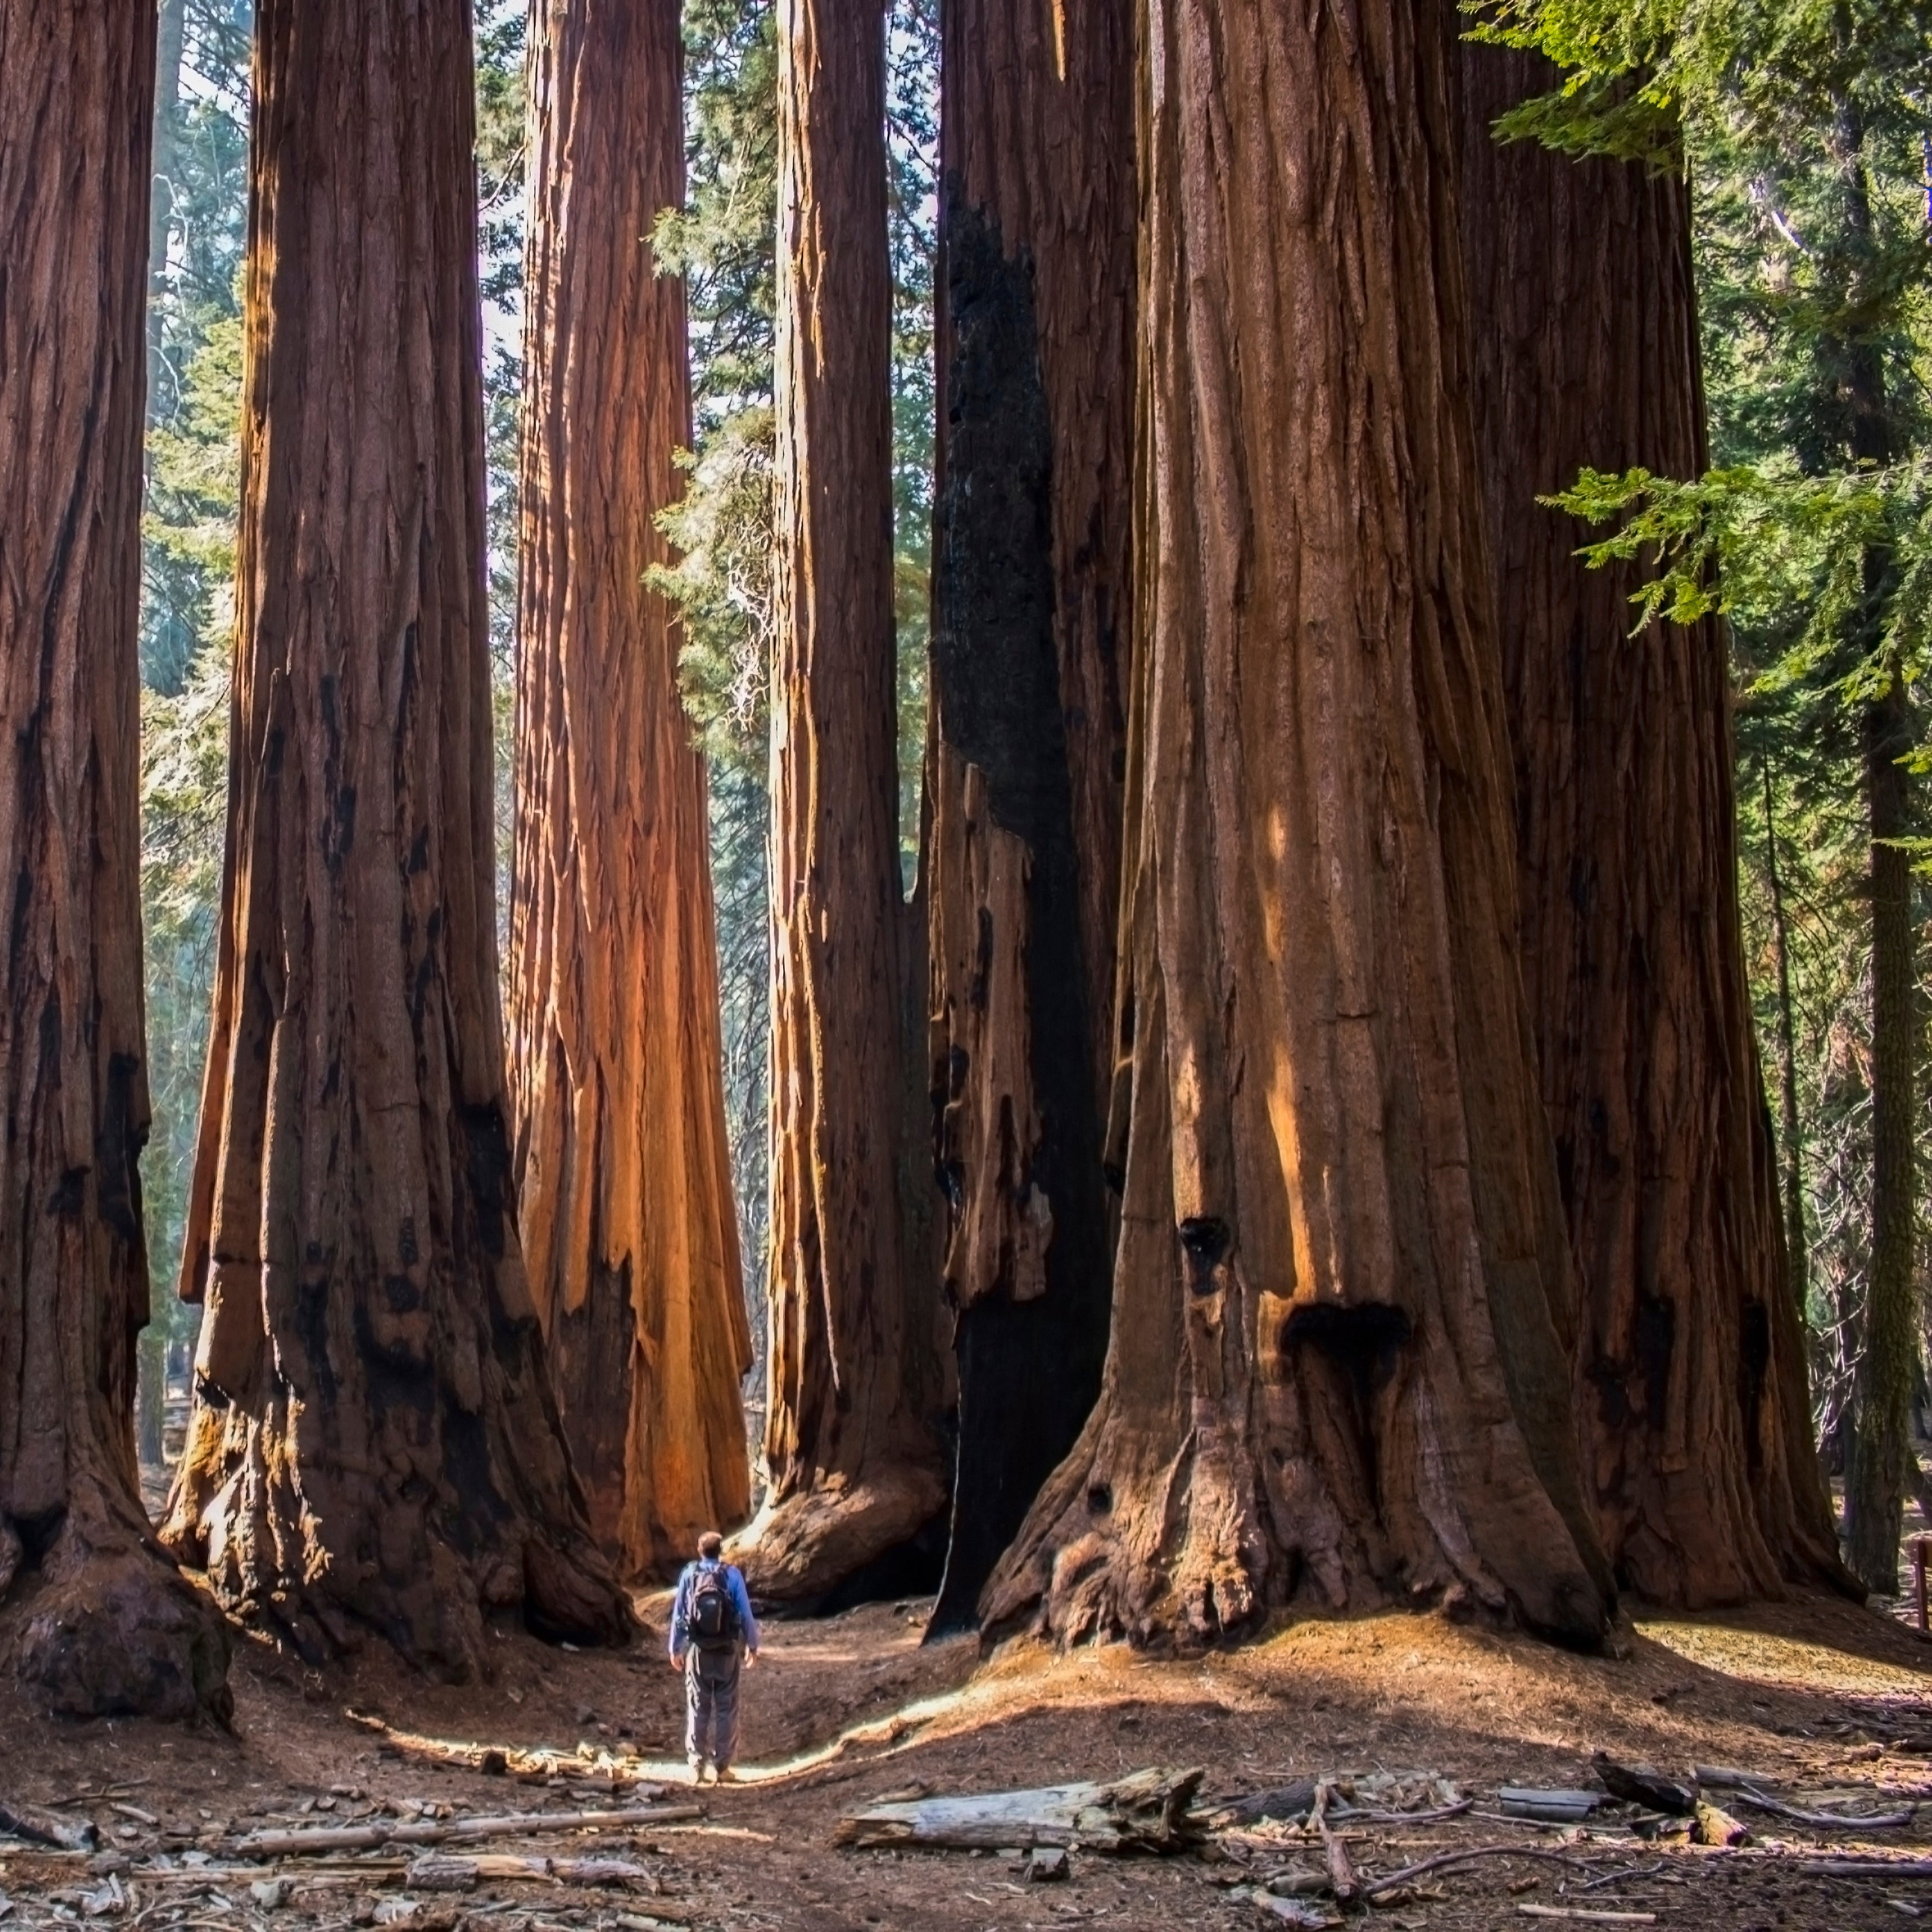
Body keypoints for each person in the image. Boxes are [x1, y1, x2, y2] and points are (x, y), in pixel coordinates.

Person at [668, 1531, 760, 1784]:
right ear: (721, 1551)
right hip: (727, 1650)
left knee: (698, 1705)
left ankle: (696, 1765)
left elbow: (679, 1613)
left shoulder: (689, 1574)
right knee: (727, 1707)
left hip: (698, 1651)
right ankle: (721, 1766)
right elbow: (745, 1612)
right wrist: (752, 1645)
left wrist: (675, 1648)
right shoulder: (732, 1575)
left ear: (699, 1550)